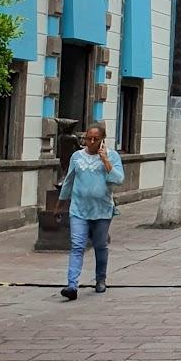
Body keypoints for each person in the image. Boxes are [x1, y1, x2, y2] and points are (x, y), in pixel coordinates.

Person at [58, 122, 124, 300]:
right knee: (77, 245)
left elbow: (119, 180)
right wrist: (60, 204)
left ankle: (100, 279)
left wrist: (105, 161)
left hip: (102, 210)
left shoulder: (112, 156)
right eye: (89, 138)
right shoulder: (77, 157)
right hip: (78, 209)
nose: (92, 142)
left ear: (103, 140)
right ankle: (72, 285)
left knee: (100, 245)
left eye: (96, 139)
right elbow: (69, 181)